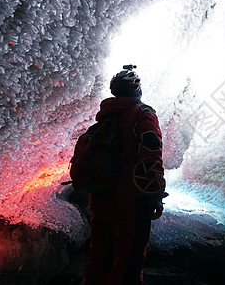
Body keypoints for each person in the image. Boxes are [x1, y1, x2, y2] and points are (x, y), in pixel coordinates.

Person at [84, 65, 166, 285]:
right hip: (130, 199)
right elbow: (151, 152)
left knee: (98, 259)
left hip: (100, 197)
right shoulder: (142, 115)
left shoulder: (103, 120)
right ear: (137, 90)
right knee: (128, 260)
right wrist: (155, 191)